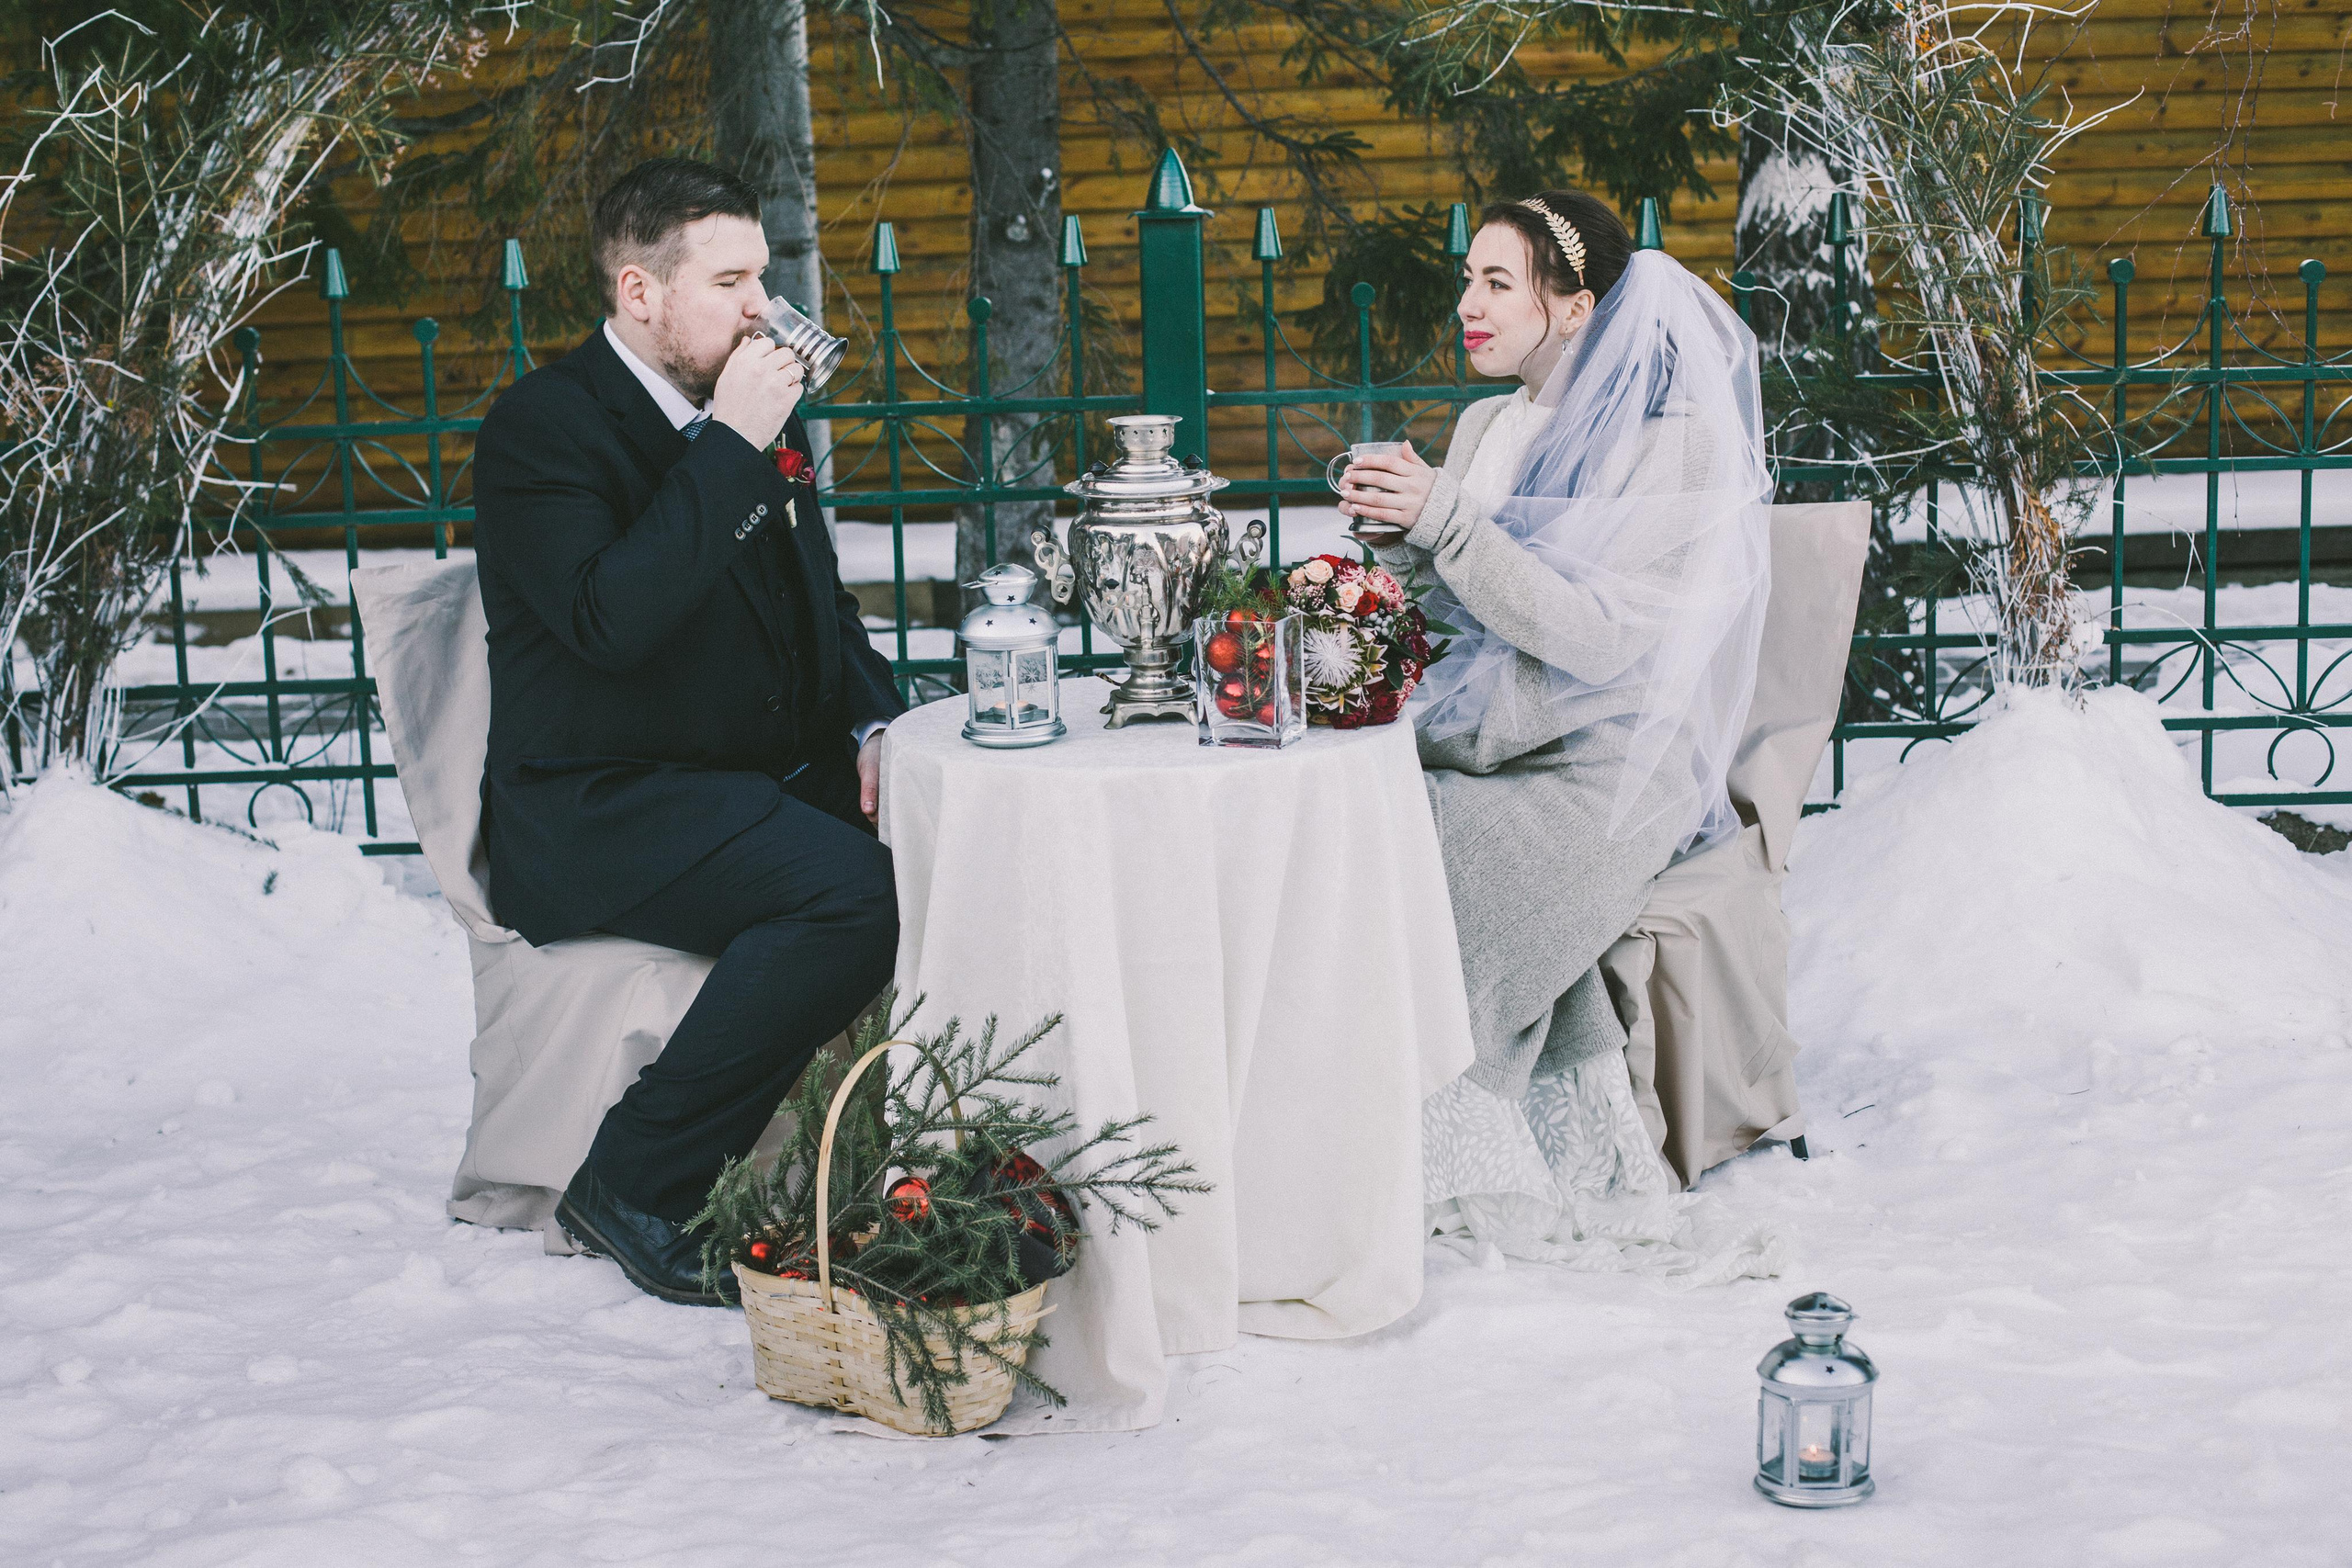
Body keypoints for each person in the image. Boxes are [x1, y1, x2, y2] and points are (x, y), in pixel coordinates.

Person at [471, 158, 905, 1305]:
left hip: (744, 781)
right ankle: (634, 1184)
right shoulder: (542, 431)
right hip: (603, 806)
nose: (762, 307)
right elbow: (611, 623)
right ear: (638, 293)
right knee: (855, 894)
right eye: (730, 281)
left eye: (762, 276)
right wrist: (729, 445)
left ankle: (919, 1167)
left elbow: (825, 608)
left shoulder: (749, 414)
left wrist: (874, 722)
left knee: (958, 835)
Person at [1334, 192, 1784, 1277]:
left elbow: (1590, 639)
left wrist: (1445, 520)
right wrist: (1390, 553)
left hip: (1602, 772)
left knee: (1412, 856)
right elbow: (1464, 604)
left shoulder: (1669, 447)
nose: (1467, 306)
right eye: (1467, 280)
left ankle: (1385, 1149)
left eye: (1498, 283)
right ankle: (1325, 1137)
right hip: (1484, 738)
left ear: (1576, 307)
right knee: (1344, 823)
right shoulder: (1488, 427)